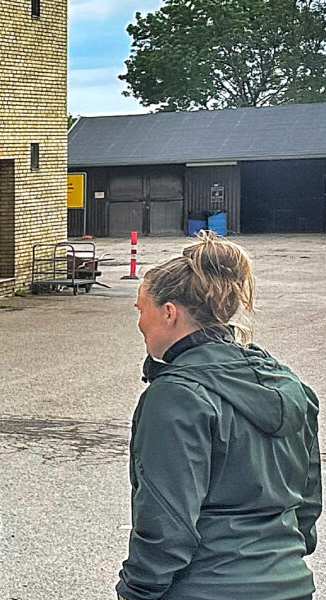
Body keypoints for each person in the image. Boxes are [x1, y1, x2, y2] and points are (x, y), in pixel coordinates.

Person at [119, 234, 320, 600]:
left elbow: (167, 521)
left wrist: (137, 590)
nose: (139, 322)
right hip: (290, 584)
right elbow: (306, 502)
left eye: (141, 309)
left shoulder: (176, 397)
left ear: (169, 312)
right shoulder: (289, 386)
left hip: (205, 588)